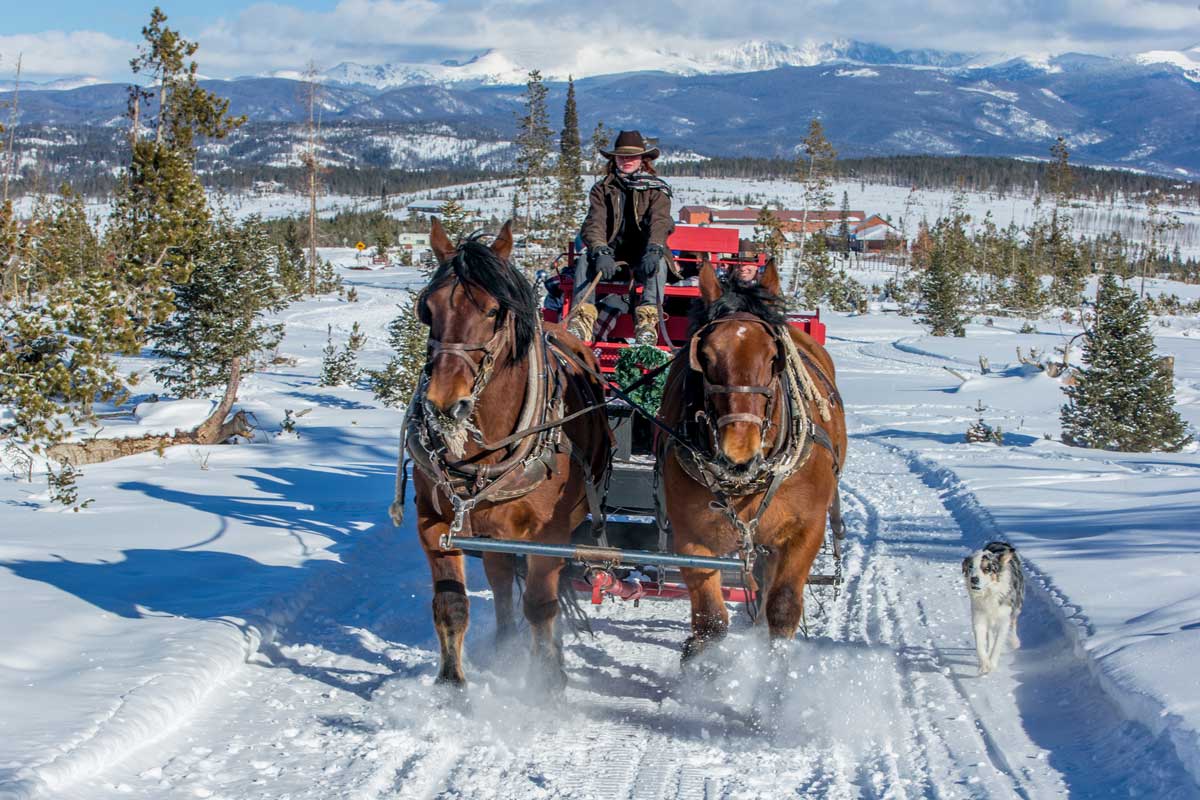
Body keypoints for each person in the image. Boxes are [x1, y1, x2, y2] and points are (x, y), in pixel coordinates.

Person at [567, 130, 674, 345]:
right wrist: (600, 250)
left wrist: (654, 247)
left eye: (631, 156)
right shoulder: (602, 189)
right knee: (585, 260)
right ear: (614, 159)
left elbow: (661, 222)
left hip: (644, 254)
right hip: (612, 255)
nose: (626, 161)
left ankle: (646, 322)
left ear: (643, 159)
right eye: (622, 156)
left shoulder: (656, 190)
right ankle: (582, 320)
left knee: (659, 262)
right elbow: (594, 222)